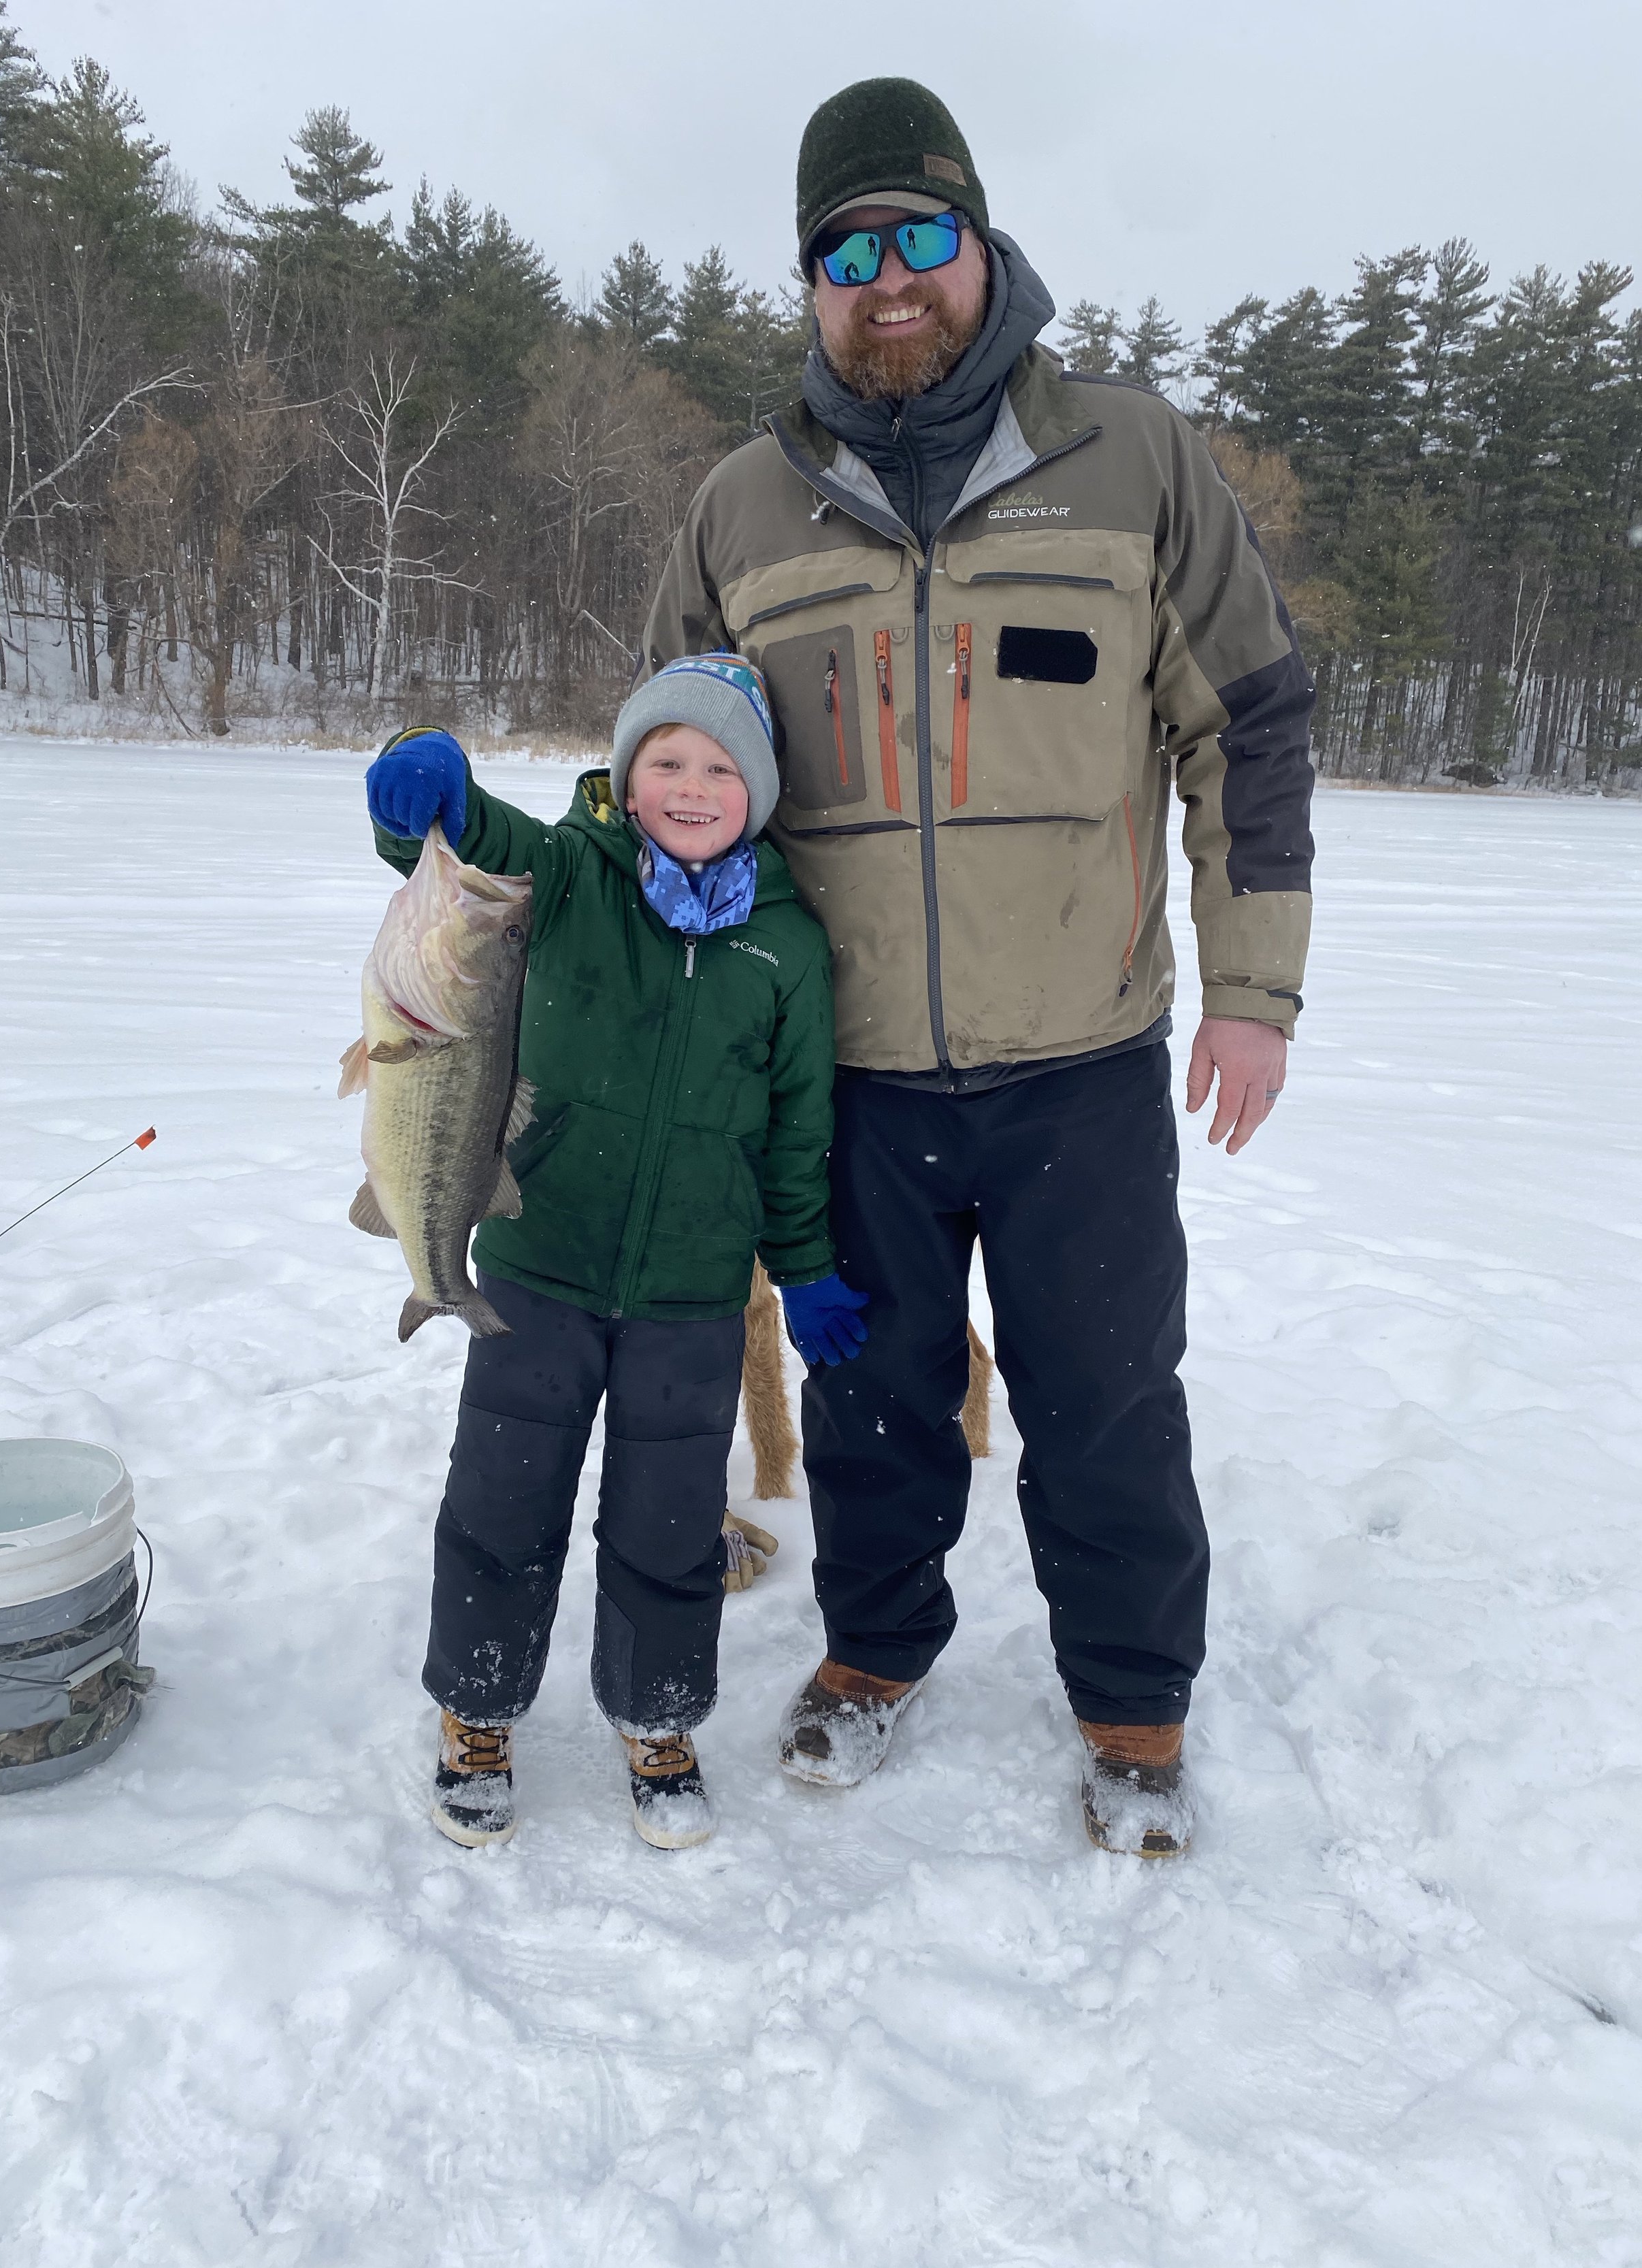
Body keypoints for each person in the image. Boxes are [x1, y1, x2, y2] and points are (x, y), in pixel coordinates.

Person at [642, 80, 1317, 1856]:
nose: (887, 281)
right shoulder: (739, 510)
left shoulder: (1134, 461)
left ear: (979, 243)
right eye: (844, 250)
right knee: (869, 1399)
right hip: (840, 1076)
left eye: (916, 238)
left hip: (1079, 1062)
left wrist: (1250, 984)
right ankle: (874, 1647)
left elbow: (1243, 723)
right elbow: (668, 776)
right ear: (808, 282)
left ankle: (1131, 1701)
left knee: (1102, 1398)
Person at [363, 656, 866, 1852]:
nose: (692, 786)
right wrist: (422, 775)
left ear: (760, 789)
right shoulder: (570, 875)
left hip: (694, 1295)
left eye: (720, 767)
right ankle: (477, 1710)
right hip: (540, 1265)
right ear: (626, 775)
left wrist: (802, 1263)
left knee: (670, 1521)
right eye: (666, 760)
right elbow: (461, 849)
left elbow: (800, 1129)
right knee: (502, 1497)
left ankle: (659, 1718)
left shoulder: (787, 944)